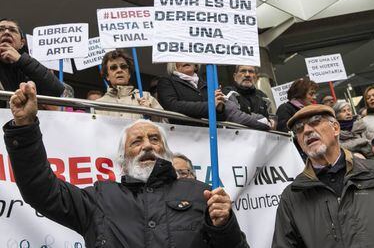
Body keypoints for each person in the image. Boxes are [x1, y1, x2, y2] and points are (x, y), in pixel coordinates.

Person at [4, 81, 249, 248]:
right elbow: (41, 191)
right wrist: (25, 128)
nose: (147, 146)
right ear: (123, 159)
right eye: (137, 141)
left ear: (165, 151)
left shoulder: (200, 192)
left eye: (154, 139)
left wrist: (225, 226)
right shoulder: (100, 197)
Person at [272, 104, 374, 248]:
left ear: (335, 128)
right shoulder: (292, 197)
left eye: (315, 121)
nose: (307, 130)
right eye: (299, 129)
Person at [0, 18, 64, 104]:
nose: (7, 32)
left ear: (22, 43)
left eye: (13, 30)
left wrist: (21, 60)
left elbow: (56, 91)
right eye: (1, 29)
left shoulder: (27, 68)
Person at [96, 50, 164, 121]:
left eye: (123, 66)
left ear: (129, 74)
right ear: (107, 76)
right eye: (113, 67)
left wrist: (151, 113)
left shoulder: (145, 97)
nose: (119, 70)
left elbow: (165, 126)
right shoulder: (98, 104)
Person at [157, 62, 226, 126]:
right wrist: (210, 105)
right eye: (181, 57)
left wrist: (219, 108)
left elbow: (221, 119)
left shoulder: (208, 86)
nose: (185, 60)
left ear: (195, 65)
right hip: (181, 133)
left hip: (207, 134)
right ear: (173, 64)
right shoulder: (167, 81)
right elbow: (172, 106)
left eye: (188, 57)